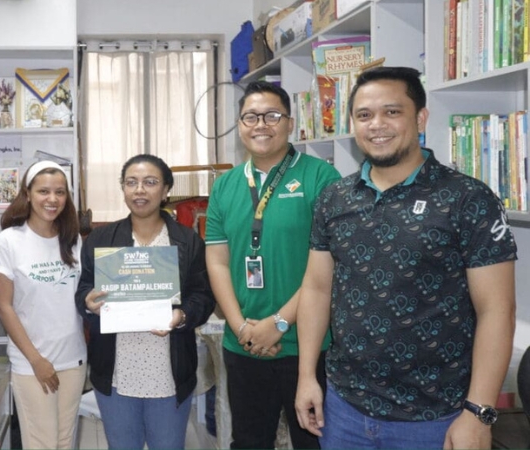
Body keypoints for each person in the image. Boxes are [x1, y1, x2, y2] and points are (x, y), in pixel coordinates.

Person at [294, 66, 517, 449]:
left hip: (436, 417)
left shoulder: (467, 199)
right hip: (345, 408)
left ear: (421, 118)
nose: (377, 124)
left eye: (392, 112)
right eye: (364, 115)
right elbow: (316, 289)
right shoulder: (334, 198)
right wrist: (306, 377)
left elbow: (498, 309)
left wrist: (479, 412)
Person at [204, 80, 341, 449]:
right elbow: (217, 261)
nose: (260, 124)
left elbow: (327, 269)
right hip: (243, 343)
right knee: (249, 442)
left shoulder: (321, 178)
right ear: (240, 124)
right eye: (250, 116)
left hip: (308, 344)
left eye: (272, 115)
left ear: (290, 123)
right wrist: (242, 327)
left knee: (314, 441)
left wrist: (278, 323)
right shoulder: (225, 185)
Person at [76, 154, 215, 449]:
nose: (140, 190)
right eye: (132, 182)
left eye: (150, 183)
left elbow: (203, 296)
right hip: (116, 372)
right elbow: (83, 291)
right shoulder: (100, 240)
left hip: (168, 372)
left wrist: (183, 316)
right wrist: (88, 302)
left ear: (166, 191)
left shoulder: (187, 242)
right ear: (123, 189)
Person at [0, 160, 87, 449]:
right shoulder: (9, 241)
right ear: (27, 194)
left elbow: (78, 297)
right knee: (41, 443)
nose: (52, 199)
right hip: (33, 363)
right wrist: (36, 360)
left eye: (60, 192)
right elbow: (5, 307)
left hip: (74, 359)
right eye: (44, 191)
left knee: (65, 441)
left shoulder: (73, 239)